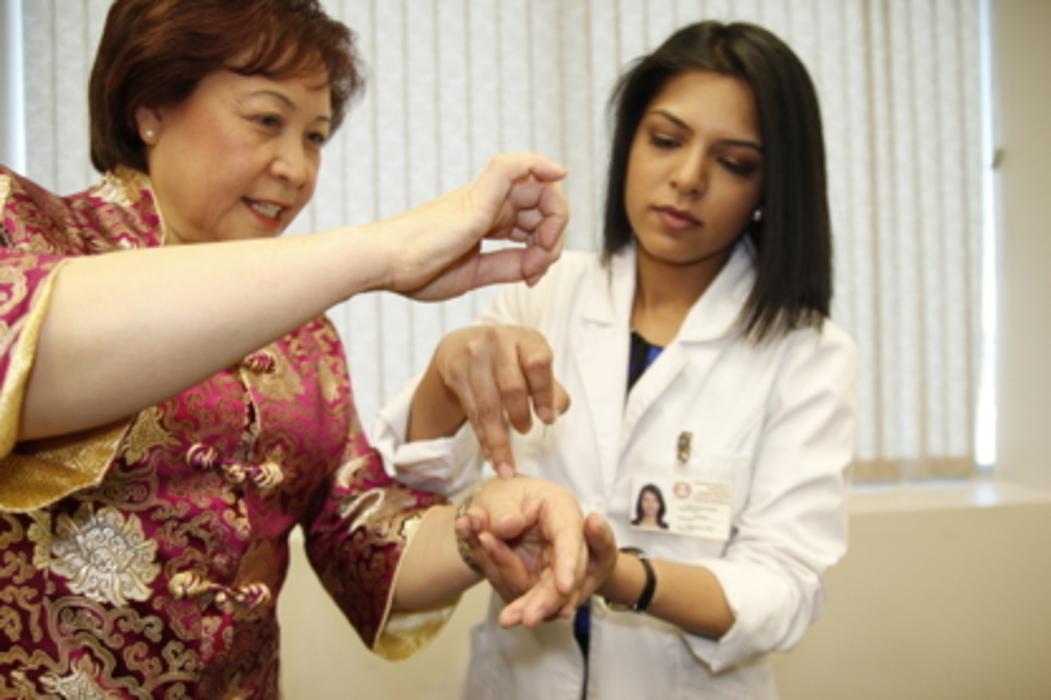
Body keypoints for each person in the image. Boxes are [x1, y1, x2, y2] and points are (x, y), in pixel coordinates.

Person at [0, 1, 608, 696]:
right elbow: (29, 352)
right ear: (151, 109)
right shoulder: (28, 231)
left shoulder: (304, 337)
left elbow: (361, 539)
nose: (295, 167)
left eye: (314, 137)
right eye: (266, 120)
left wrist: (486, 527)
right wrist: (384, 250)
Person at [376, 20, 859, 698]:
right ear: (629, 141)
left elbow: (783, 590)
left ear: (769, 189)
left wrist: (618, 575)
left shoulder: (806, 354)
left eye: (733, 163)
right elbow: (407, 500)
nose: (686, 178)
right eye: (665, 140)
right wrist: (444, 374)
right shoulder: (541, 293)